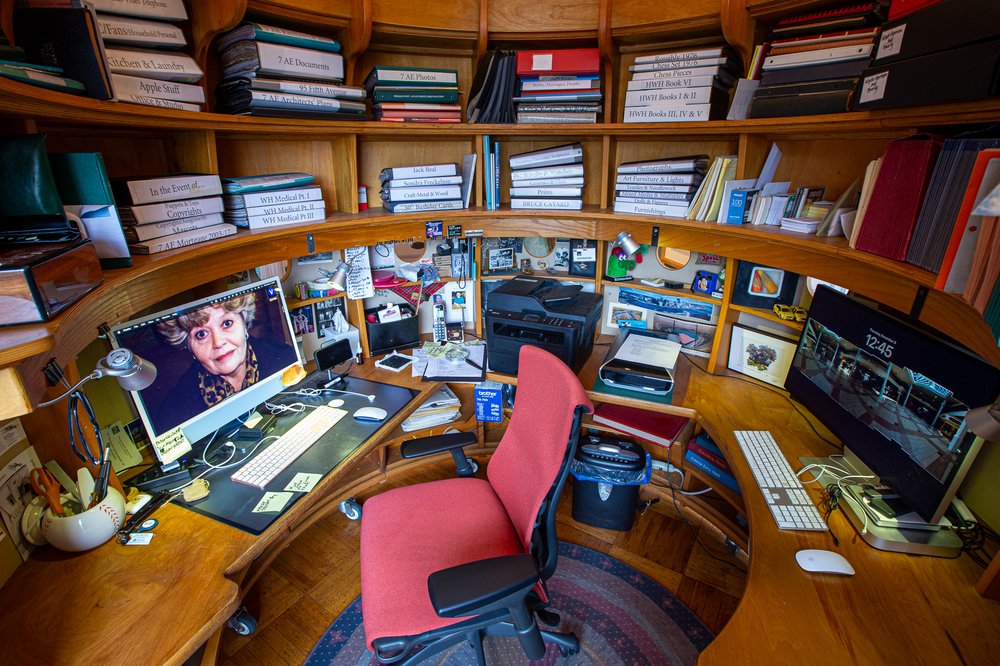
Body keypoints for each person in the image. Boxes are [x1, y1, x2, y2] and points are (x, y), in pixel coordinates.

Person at [153, 292, 296, 428]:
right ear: (189, 347)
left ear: (244, 325)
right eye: (201, 334)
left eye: (227, 323)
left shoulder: (285, 359)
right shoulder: (173, 413)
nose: (218, 342)